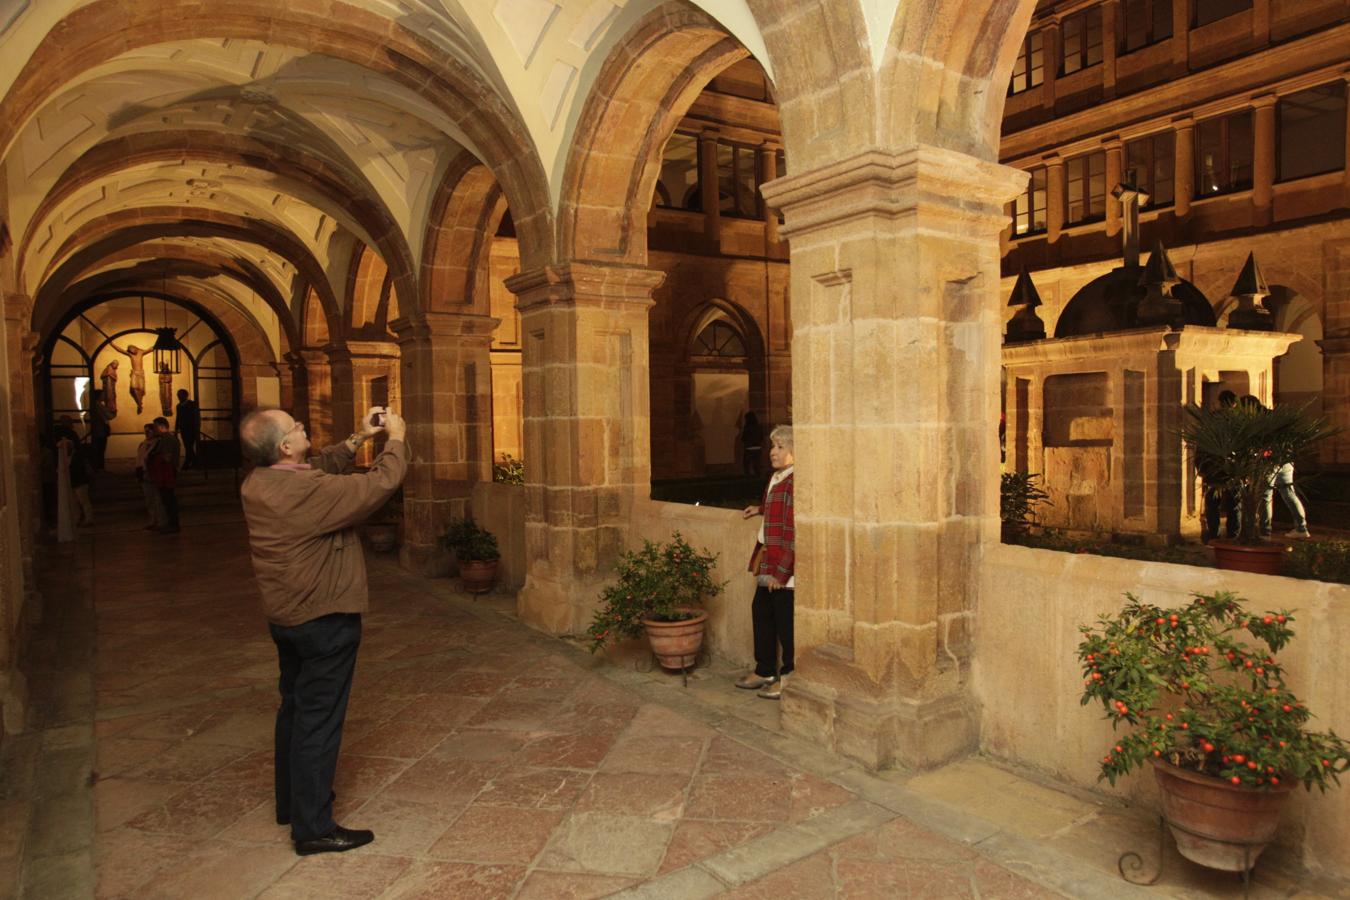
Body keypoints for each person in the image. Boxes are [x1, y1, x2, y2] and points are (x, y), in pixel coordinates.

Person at [239, 404, 407, 856]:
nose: (302, 426)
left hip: (287, 617)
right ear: (284, 446)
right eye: (295, 427)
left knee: (295, 710)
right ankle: (313, 827)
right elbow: (378, 484)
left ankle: (291, 805)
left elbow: (316, 467)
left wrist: (359, 438)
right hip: (324, 621)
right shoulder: (307, 492)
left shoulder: (259, 481)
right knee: (319, 721)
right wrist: (395, 438)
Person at [736, 424, 795, 700]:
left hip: (783, 569)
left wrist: (781, 574)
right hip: (768, 559)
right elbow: (775, 510)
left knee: (786, 623)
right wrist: (759, 509)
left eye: (780, 447)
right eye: (773, 446)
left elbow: (793, 530)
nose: (773, 452)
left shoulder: (795, 482)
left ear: (795, 451)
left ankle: (788, 678)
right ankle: (765, 670)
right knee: (761, 612)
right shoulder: (777, 477)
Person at [1199, 390, 1239, 544]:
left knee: (1212, 504)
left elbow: (1201, 444)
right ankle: (1233, 535)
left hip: (1213, 467)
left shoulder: (1211, 419)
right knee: (1234, 504)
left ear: (1220, 402)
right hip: (1233, 469)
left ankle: (1213, 535)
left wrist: (1201, 466)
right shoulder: (1239, 420)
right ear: (1234, 403)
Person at [146, 416, 180, 534]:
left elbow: (167, 457)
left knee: (169, 499)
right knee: (166, 499)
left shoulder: (167, 439)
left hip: (166, 472)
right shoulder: (163, 439)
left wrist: (154, 458)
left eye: (155, 427)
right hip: (164, 472)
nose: (154, 429)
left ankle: (173, 524)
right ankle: (170, 523)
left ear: (161, 427)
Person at [136, 423, 166, 530]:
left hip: (154, 473)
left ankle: (161, 521)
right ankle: (153, 519)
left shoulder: (158, 443)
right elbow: (139, 459)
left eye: (149, 430)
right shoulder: (143, 444)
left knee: (158, 499)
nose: (147, 433)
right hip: (144, 473)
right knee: (149, 499)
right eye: (145, 431)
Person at [109, 340, 152, 414]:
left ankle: (139, 404)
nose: (132, 352)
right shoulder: (130, 354)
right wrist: (112, 344)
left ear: (135, 348)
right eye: (130, 351)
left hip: (141, 373)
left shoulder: (141, 352)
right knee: (133, 387)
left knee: (141, 389)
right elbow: (120, 350)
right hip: (134, 373)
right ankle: (139, 404)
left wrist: (158, 344)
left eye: (132, 349)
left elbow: (150, 349)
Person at [88, 389, 115, 471]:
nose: (104, 396)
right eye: (102, 395)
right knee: (101, 449)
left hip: (98, 430)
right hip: (100, 430)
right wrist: (114, 413)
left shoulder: (95, 405)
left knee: (99, 449)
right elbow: (108, 416)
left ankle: (98, 467)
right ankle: (99, 467)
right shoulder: (99, 405)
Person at [175, 389, 201, 469]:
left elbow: (197, 417)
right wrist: (176, 428)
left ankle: (188, 462)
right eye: (178, 395)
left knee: (189, 446)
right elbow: (178, 418)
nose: (179, 397)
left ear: (185, 396)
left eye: (180, 395)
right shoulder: (179, 406)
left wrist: (197, 427)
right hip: (184, 429)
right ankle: (193, 461)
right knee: (187, 446)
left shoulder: (192, 404)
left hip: (191, 428)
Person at [739, 410, 763, 476]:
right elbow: (762, 437)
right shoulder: (758, 427)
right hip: (758, 448)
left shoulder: (747, 427)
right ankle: (757, 476)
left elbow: (744, 438)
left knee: (747, 464)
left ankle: (748, 477)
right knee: (757, 464)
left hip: (749, 448)